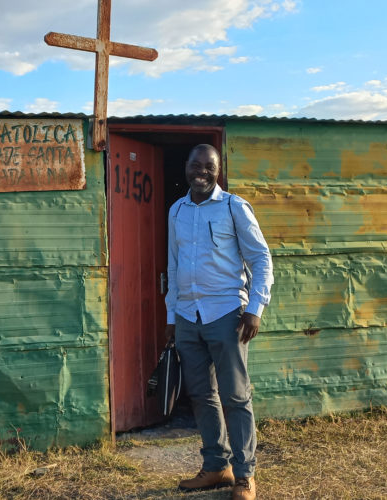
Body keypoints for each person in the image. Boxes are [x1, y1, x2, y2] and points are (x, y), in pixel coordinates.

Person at [165, 144, 273, 500]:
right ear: (187, 167)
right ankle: (216, 467)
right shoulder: (177, 210)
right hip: (187, 317)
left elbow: (261, 260)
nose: (201, 171)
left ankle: (244, 476)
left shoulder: (233, 207)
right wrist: (171, 314)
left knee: (236, 397)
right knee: (201, 395)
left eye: (208, 167)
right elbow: (175, 265)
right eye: (195, 165)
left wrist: (255, 308)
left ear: (218, 170)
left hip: (227, 315)